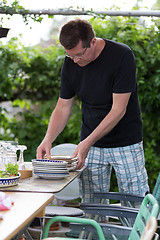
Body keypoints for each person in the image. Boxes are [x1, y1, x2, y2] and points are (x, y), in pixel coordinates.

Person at [37, 19, 149, 203]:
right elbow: (63, 106)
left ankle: (140, 233)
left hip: (126, 143)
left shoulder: (121, 56)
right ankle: (94, 232)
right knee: (91, 205)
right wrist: (48, 138)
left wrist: (87, 142)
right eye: (70, 56)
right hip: (90, 144)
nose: (75, 60)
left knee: (134, 204)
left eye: (79, 55)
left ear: (93, 42)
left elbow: (118, 110)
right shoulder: (71, 62)